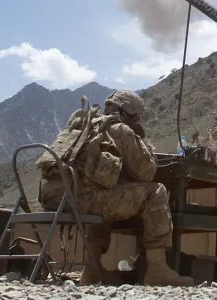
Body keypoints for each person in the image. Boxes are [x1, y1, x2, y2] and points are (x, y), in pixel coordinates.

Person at [36, 89, 193, 286]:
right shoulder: (119, 130)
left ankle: (91, 270)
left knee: (104, 192)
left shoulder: (84, 124)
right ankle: (157, 270)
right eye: (137, 117)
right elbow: (146, 172)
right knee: (156, 192)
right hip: (81, 199)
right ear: (130, 113)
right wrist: (142, 140)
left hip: (53, 197)